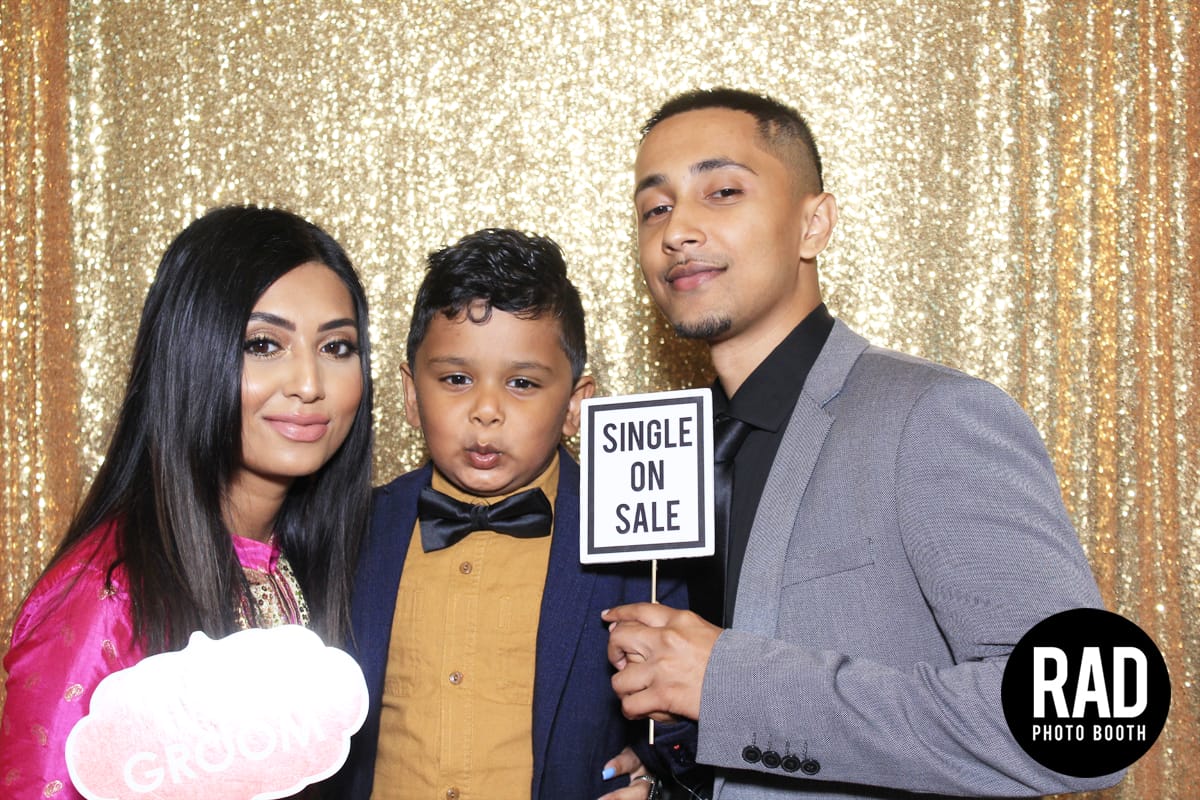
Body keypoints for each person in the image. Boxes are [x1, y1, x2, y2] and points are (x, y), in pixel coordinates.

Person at [603, 88, 1126, 798]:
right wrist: (678, 766)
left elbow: (1085, 725)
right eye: (655, 208)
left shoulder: (936, 416)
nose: (678, 231)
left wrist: (729, 684)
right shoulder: (679, 449)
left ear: (813, 224)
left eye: (722, 191)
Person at [0, 205, 374, 798]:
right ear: (190, 355)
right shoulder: (108, 591)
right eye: (263, 344)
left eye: (336, 347)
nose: (309, 384)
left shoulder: (330, 559)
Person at [332, 228, 685, 800]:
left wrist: (659, 772)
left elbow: (684, 717)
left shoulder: (635, 538)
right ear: (411, 395)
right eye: (456, 379)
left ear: (575, 404)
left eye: (522, 383)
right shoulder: (353, 530)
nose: (486, 410)